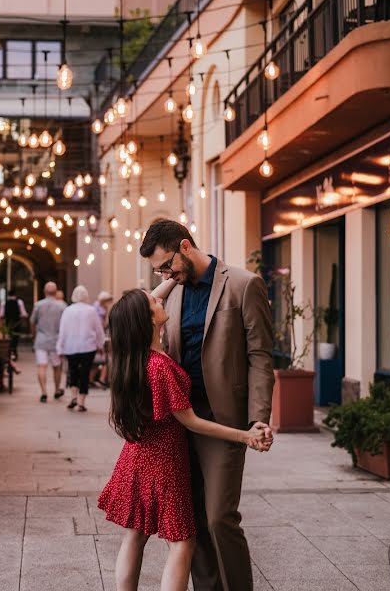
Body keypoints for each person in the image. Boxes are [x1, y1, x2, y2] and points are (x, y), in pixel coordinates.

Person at [98, 289, 271, 591]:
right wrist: (245, 436)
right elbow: (191, 421)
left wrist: (172, 277)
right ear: (147, 320)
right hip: (165, 462)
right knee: (182, 542)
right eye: (153, 302)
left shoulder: (136, 360)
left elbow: (138, 305)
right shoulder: (160, 367)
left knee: (135, 534)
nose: (159, 299)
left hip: (136, 457)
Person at [139, 219, 275, 591]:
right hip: (179, 424)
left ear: (185, 246)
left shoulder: (244, 284)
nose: (165, 274)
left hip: (223, 421)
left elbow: (261, 357)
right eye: (158, 271)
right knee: (192, 521)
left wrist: (258, 420)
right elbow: (143, 309)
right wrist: (166, 281)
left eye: (167, 265)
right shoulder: (174, 291)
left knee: (219, 519)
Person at [56, 285, 105, 412]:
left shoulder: (67, 310)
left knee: (73, 371)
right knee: (84, 373)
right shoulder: (91, 310)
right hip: (88, 347)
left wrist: (60, 348)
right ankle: (81, 402)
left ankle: (73, 397)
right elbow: (98, 330)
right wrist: (100, 345)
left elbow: (62, 330)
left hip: (70, 346)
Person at [30, 281, 67, 403]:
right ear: (56, 292)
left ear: (44, 292)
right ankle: (56, 390)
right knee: (57, 366)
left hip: (41, 339)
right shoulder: (62, 306)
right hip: (56, 341)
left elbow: (32, 322)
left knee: (42, 366)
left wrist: (34, 335)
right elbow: (65, 325)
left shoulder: (38, 305)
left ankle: (44, 392)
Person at [90, 290, 114, 388]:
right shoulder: (96, 307)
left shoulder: (103, 307)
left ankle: (96, 379)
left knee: (101, 359)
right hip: (97, 336)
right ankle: (102, 379)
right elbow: (98, 324)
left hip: (100, 334)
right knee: (104, 359)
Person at [0, 290, 28, 360]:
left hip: (7, 324)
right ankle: (14, 352)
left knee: (8, 338)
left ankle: (9, 352)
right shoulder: (19, 302)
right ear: (15, 295)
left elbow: (1, 315)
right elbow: (24, 314)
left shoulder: (4, 303)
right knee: (15, 338)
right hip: (17, 323)